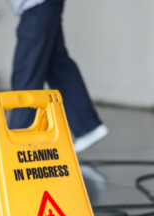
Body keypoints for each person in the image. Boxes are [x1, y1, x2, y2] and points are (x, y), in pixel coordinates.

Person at [7, 0, 108, 152]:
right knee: (57, 66)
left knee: (26, 72)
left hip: (37, 5)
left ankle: (17, 142)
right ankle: (87, 125)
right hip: (43, 4)